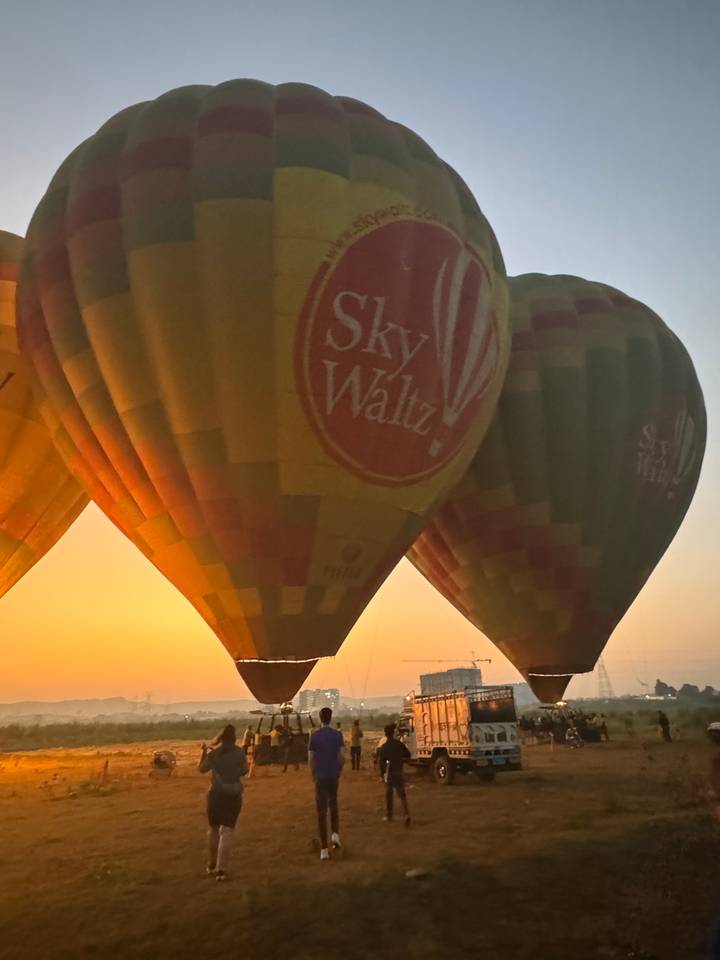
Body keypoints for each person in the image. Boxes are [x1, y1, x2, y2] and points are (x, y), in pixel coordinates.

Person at [198, 724, 248, 881]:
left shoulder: (214, 754)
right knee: (226, 831)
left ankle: (211, 865)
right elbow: (245, 770)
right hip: (232, 796)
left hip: (215, 795)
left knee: (213, 830)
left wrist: (204, 753)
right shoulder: (239, 753)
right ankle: (221, 869)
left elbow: (202, 769)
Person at [308, 706, 344, 861]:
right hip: (333, 775)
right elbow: (342, 756)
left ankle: (324, 849)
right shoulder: (337, 735)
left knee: (321, 812)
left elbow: (310, 759)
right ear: (331, 717)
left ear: (319, 718)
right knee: (333, 804)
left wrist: (313, 774)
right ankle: (335, 834)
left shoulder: (314, 736)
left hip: (321, 777)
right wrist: (338, 770)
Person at [377, 724, 411, 826]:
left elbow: (381, 763)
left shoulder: (384, 747)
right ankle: (406, 814)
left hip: (390, 773)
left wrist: (382, 774)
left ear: (385, 734)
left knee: (389, 795)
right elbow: (408, 754)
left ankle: (389, 815)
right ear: (393, 733)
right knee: (402, 795)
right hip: (399, 771)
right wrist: (400, 759)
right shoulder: (398, 744)